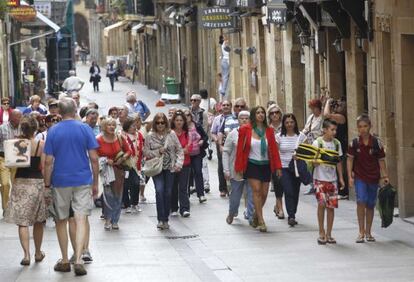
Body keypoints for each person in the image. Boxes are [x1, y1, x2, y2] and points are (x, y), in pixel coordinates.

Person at [43, 98, 99, 276]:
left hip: (60, 180)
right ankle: (79, 259)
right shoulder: (85, 129)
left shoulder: (53, 131)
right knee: (81, 218)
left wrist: (46, 185)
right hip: (82, 179)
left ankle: (65, 260)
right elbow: (94, 158)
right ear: (75, 110)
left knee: (61, 220)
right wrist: (95, 182)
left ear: (59, 111)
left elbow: (48, 162)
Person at [4, 116, 48, 266]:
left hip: (20, 182)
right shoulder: (41, 144)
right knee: (38, 220)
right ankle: (37, 252)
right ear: (35, 128)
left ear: (21, 128)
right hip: (36, 182)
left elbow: (11, 165)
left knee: (22, 221)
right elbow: (43, 165)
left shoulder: (17, 144)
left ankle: (26, 255)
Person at [235, 106, 282, 232]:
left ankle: (256, 214)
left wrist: (278, 166)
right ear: (253, 115)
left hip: (266, 165)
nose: (260, 115)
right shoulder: (245, 130)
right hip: (252, 164)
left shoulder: (269, 131)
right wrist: (239, 167)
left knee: (264, 194)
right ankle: (261, 221)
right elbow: (240, 150)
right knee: (256, 190)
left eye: (262, 113)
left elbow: (274, 151)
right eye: (258, 112)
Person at [347, 114, 388, 243]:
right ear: (357, 128)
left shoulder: (376, 143)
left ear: (370, 126)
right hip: (360, 176)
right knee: (361, 200)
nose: (363, 129)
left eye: (365, 126)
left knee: (370, 204)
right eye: (360, 127)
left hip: (374, 177)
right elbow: (349, 160)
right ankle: (361, 232)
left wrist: (385, 176)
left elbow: (381, 161)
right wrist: (349, 176)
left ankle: (369, 232)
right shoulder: (354, 143)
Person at [143, 113, 184, 230]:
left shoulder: (171, 134)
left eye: (162, 122)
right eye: (158, 122)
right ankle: (161, 219)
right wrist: (157, 152)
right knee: (159, 191)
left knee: (168, 192)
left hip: (170, 168)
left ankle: (165, 218)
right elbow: (145, 152)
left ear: (166, 123)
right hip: (157, 168)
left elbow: (179, 150)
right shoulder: (150, 136)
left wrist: (178, 164)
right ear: (154, 124)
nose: (160, 125)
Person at [313, 119, 345, 244]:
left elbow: (338, 162)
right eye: (332, 129)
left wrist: (341, 178)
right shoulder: (318, 143)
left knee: (331, 207)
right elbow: (313, 162)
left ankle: (329, 233)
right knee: (321, 204)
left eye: (335, 130)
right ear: (325, 130)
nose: (334, 132)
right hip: (320, 179)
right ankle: (321, 231)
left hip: (332, 180)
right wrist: (316, 160)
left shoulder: (337, 144)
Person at [97, 118, 131, 230]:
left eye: (113, 124)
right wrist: (106, 160)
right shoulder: (98, 139)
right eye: (109, 125)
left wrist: (123, 158)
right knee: (108, 195)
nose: (112, 127)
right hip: (106, 171)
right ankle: (108, 219)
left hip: (118, 170)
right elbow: (93, 156)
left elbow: (129, 151)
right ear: (104, 127)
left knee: (117, 195)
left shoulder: (120, 138)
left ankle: (115, 220)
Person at [223, 110, 254, 224]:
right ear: (238, 120)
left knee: (251, 194)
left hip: (251, 168)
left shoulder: (254, 133)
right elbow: (226, 152)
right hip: (236, 169)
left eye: (247, 118)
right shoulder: (233, 134)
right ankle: (232, 212)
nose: (244, 120)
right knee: (235, 195)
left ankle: (251, 217)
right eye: (242, 118)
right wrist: (226, 169)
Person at [277, 114, 307, 226]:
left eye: (291, 122)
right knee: (288, 191)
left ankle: (292, 212)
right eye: (287, 122)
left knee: (295, 192)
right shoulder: (279, 137)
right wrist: (277, 168)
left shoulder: (302, 137)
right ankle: (291, 216)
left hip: (297, 168)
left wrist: (299, 156)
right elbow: (275, 153)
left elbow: (307, 152)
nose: (289, 124)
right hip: (284, 168)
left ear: (295, 123)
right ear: (284, 124)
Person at [324, 97, 348, 198]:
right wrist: (325, 104)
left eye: (340, 105)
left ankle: (343, 191)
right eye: (337, 105)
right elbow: (325, 119)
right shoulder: (335, 117)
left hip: (340, 145)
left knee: (340, 168)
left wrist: (328, 102)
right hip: (334, 144)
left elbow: (326, 115)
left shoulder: (341, 117)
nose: (337, 106)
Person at [0, 109, 22, 215]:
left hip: (17, 159)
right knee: (5, 184)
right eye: (18, 116)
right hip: (3, 158)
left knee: (16, 184)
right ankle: (5, 208)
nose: (20, 119)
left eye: (20, 116)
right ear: (11, 117)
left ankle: (15, 207)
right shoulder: (2, 128)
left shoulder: (23, 128)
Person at [170, 110, 191, 217]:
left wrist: (178, 151)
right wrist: (181, 150)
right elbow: (170, 149)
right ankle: (173, 208)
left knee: (183, 187)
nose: (179, 122)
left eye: (181, 120)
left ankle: (184, 208)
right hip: (172, 164)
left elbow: (188, 149)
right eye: (177, 120)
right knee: (173, 186)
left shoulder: (187, 133)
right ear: (173, 121)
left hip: (185, 164)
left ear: (184, 122)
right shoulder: (170, 133)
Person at [184, 109, 208, 203]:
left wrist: (202, 141)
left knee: (198, 172)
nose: (186, 117)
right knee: (187, 174)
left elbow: (205, 136)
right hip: (187, 155)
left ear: (191, 116)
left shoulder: (197, 125)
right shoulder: (181, 127)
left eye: (188, 115)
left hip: (197, 153)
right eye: (184, 115)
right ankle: (187, 195)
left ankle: (201, 194)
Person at [122, 117, 144, 213]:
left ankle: (134, 203)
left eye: (135, 125)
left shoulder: (139, 135)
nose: (134, 128)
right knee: (125, 185)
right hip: (126, 164)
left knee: (136, 183)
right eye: (132, 126)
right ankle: (126, 205)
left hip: (136, 164)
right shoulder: (122, 135)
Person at [211, 100, 232, 197]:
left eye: (228, 105)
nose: (226, 106)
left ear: (231, 106)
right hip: (221, 145)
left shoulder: (234, 118)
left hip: (232, 146)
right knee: (221, 167)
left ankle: (232, 188)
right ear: (221, 107)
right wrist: (216, 140)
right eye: (224, 105)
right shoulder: (217, 119)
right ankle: (223, 188)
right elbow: (213, 132)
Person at [302, 99, 324, 195]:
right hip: (310, 143)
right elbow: (306, 129)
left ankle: (319, 185)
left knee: (317, 165)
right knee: (309, 165)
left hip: (319, 144)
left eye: (314, 108)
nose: (313, 110)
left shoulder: (322, 118)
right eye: (312, 108)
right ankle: (312, 185)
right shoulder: (311, 117)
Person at [267, 104, 285, 217]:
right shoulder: (267, 128)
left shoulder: (286, 126)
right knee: (277, 183)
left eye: (277, 112)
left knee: (280, 183)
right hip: (270, 159)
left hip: (284, 159)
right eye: (272, 113)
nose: (275, 115)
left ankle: (279, 207)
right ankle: (279, 207)